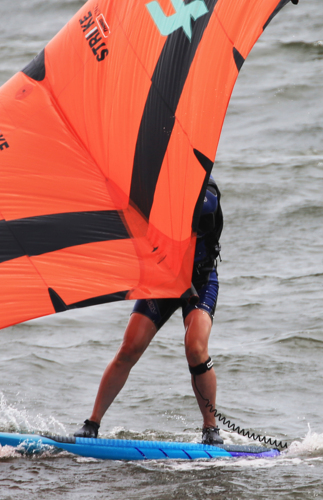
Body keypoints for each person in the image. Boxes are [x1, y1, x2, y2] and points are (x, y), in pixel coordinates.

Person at [74, 177, 225, 445]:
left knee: (195, 347)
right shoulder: (152, 189)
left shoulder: (206, 190)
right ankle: (92, 423)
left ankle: (210, 428)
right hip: (163, 281)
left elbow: (204, 209)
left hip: (199, 282)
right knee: (130, 347)